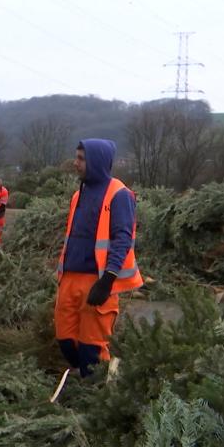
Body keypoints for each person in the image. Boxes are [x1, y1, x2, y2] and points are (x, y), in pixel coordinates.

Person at [54, 139, 143, 376]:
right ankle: (81, 376)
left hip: (98, 279)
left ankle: (93, 393)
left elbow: (123, 239)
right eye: (76, 158)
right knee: (65, 338)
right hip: (70, 278)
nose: (76, 163)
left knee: (92, 347)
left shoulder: (119, 194)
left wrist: (108, 279)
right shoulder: (77, 196)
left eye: (81, 159)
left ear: (96, 161)